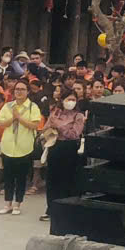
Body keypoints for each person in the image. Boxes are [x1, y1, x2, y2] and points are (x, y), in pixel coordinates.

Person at [0, 81, 43, 215]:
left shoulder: (32, 107)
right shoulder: (8, 106)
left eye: (22, 89)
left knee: (21, 178)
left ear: (28, 91)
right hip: (8, 146)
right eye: (17, 89)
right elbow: (0, 123)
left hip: (24, 146)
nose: (19, 92)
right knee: (8, 177)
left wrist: (19, 118)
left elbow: (34, 125)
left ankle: (17, 204)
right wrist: (13, 118)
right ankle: (7, 204)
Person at [41, 92, 87, 220]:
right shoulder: (56, 113)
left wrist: (59, 126)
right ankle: (51, 209)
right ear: (62, 100)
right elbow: (45, 128)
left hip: (70, 149)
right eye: (68, 99)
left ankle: (67, 210)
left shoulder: (78, 116)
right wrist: (50, 126)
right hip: (55, 146)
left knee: (67, 180)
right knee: (52, 180)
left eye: (73, 99)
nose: (70, 102)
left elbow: (74, 134)